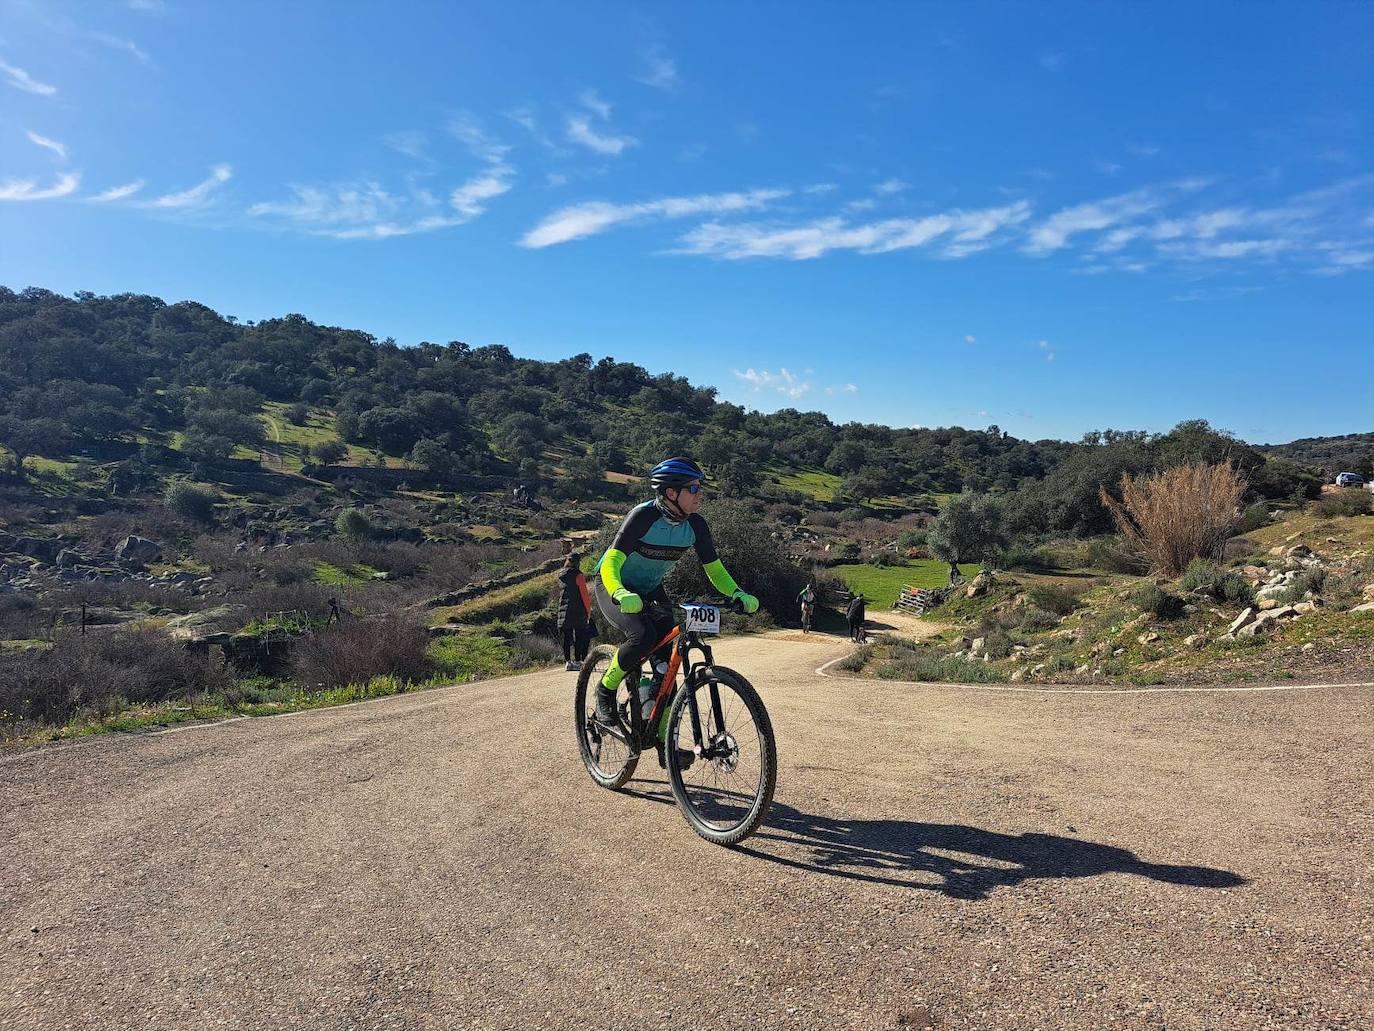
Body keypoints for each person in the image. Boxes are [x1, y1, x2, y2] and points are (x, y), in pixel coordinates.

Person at [591, 457, 759, 732]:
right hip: (613, 584)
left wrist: (738, 593)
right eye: (693, 488)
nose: (700, 495)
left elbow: (715, 571)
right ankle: (605, 690)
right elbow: (611, 561)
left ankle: (660, 738)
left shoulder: (697, 525)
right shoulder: (643, 516)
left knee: (667, 665)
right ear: (671, 493)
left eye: (700, 488)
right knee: (643, 637)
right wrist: (620, 592)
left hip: (650, 588)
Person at [556, 551, 594, 671]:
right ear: (578, 563)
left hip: (564, 609)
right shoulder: (579, 576)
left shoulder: (561, 576)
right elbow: (585, 596)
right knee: (579, 637)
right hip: (578, 610)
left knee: (566, 638)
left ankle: (568, 662)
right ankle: (578, 661)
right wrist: (588, 611)